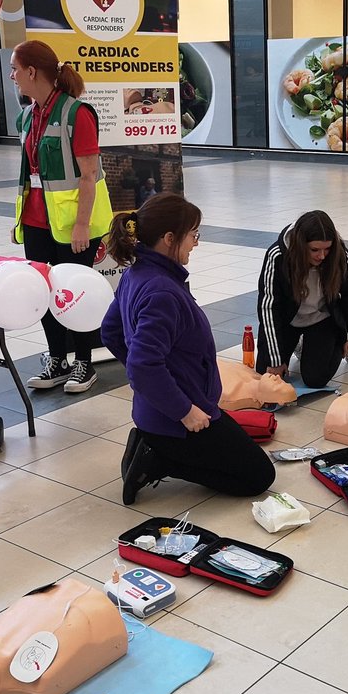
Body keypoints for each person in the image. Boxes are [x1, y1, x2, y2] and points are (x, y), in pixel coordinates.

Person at [100, 193, 276, 506]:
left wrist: (155, 380)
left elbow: (111, 331)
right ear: (169, 239)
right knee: (259, 477)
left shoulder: (138, 273)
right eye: (193, 235)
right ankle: (158, 459)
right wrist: (183, 409)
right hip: (178, 419)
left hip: (168, 406)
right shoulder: (162, 291)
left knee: (243, 450)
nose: (196, 242)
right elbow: (142, 365)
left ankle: (156, 445)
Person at [10, 39, 112, 395]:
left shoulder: (76, 114)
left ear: (32, 71)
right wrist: (21, 220)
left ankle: (84, 362)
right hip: (38, 220)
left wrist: (82, 224)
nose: (12, 77)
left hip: (72, 224)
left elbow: (88, 176)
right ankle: (58, 359)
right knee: (43, 290)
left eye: (15, 69)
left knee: (75, 292)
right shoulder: (27, 115)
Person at [257, 210, 348, 389]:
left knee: (315, 379)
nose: (322, 256)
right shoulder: (277, 256)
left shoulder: (339, 254)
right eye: (314, 250)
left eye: (327, 249)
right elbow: (268, 308)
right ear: (300, 244)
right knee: (267, 376)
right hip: (287, 320)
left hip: (322, 318)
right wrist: (275, 360)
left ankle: (338, 341)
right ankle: (300, 345)